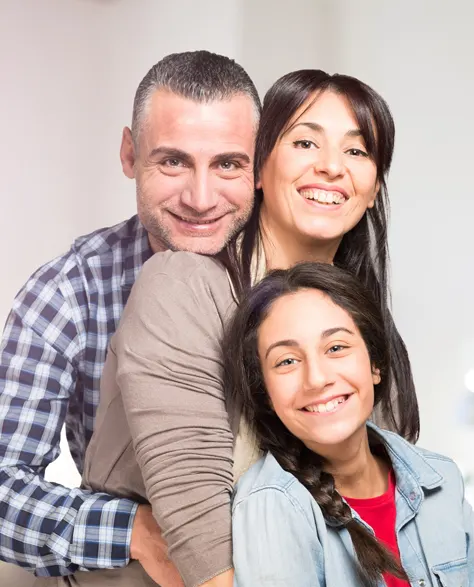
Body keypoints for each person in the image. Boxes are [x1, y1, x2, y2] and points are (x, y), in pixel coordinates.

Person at [64, 69, 419, 586]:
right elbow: (197, 528)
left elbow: (387, 504)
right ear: (258, 167)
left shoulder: (364, 324)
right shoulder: (182, 285)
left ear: (373, 188)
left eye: (357, 152)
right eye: (304, 142)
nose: (330, 167)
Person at [0, 50, 260, 587]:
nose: (201, 198)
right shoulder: (67, 293)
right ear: (128, 153)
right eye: (173, 161)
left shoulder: (295, 273)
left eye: (228, 164)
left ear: (260, 167)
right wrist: (136, 531)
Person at [225, 262, 474, 587]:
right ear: (267, 395)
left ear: (375, 364)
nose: (316, 378)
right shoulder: (271, 507)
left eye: (336, 348)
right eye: (286, 361)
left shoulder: (442, 480)